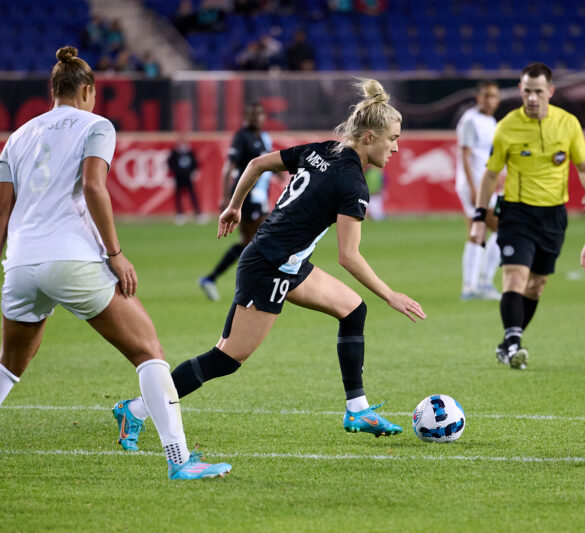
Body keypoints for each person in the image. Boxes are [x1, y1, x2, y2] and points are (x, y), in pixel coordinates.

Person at [115, 78, 426, 451]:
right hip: (270, 268)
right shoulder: (353, 185)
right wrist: (391, 295)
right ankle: (135, 409)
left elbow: (259, 163)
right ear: (370, 137)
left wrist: (234, 205)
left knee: (353, 308)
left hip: (284, 262)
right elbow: (349, 256)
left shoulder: (323, 150)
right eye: (393, 138)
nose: (396, 147)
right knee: (226, 358)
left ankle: (357, 408)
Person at [0, 46, 230, 480]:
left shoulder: (17, 136)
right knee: (148, 352)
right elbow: (93, 186)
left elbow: (1, 214)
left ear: (52, 89)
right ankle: (181, 460)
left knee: (8, 365)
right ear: (88, 90)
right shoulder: (97, 125)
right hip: (71, 260)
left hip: (20, 264)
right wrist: (115, 253)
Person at [471, 62, 585, 370]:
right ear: (521, 91)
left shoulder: (569, 124)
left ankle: (507, 342)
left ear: (550, 91)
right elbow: (491, 174)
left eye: (538, 92)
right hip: (517, 212)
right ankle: (513, 343)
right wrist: (480, 217)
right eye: (527, 91)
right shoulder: (507, 125)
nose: (532, 98)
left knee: (536, 285)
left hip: (553, 216)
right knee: (515, 276)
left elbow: (583, 169)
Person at [199, 102, 273, 301]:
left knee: (251, 242)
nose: (257, 117)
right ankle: (253, 285)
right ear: (247, 117)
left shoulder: (263, 137)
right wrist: (226, 199)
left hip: (259, 196)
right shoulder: (242, 137)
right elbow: (228, 167)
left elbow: (267, 163)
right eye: (253, 113)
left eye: (260, 113)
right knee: (259, 239)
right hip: (246, 196)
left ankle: (212, 279)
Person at [455, 81, 502, 301]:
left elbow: (486, 156)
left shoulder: (490, 121)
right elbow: (465, 155)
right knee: (504, 227)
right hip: (474, 186)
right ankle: (481, 283)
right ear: (478, 97)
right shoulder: (470, 121)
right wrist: (474, 188)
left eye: (493, 96)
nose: (489, 100)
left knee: (478, 233)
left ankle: (471, 287)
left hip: (485, 185)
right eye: (485, 96)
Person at [167, 136, 201, 225]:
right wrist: (175, 172)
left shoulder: (189, 152)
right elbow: (170, 163)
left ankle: (198, 214)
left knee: (192, 196)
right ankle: (180, 214)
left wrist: (193, 172)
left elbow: (195, 163)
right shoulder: (174, 153)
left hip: (188, 178)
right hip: (178, 178)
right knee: (178, 197)